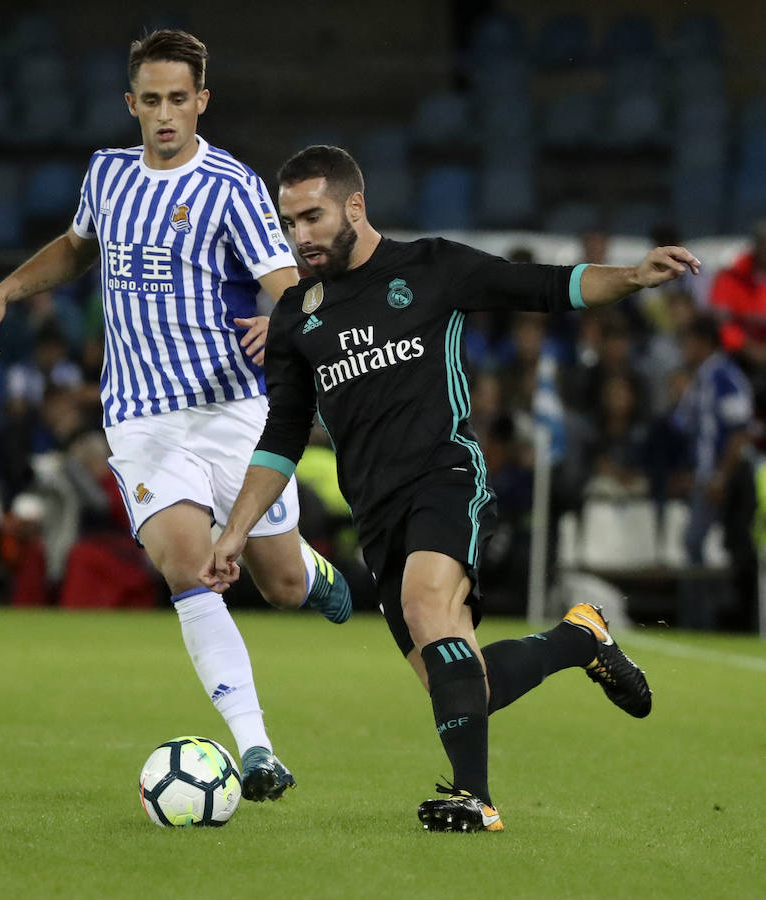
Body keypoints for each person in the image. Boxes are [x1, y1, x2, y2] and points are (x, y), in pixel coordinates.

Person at [203, 146, 701, 832]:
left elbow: (543, 286)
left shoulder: (430, 267)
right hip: (375, 512)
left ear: (354, 205)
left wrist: (634, 277)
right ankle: (578, 641)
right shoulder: (295, 316)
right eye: (289, 222)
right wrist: (234, 532)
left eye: (312, 217)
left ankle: (475, 799)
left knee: (424, 603)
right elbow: (282, 435)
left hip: (445, 475)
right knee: (462, 684)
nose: (300, 237)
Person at [0, 32, 352, 803]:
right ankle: (256, 750)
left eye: (180, 99)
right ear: (131, 104)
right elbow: (80, 248)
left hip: (230, 411)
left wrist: (281, 321)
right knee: (188, 566)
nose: (165, 114)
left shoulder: (232, 185)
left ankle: (310, 570)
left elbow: (289, 285)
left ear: (201, 101)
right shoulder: (107, 174)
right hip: (141, 419)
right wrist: (9, 288)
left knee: (276, 583)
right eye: (152, 100)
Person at [672, 314, 754, 629]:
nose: (683, 348)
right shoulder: (702, 378)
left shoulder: (724, 376)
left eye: (688, 341)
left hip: (728, 477)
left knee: (709, 543)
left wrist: (720, 476)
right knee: (696, 543)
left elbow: (738, 432)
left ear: (703, 342)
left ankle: (706, 621)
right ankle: (700, 618)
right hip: (708, 476)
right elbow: (689, 431)